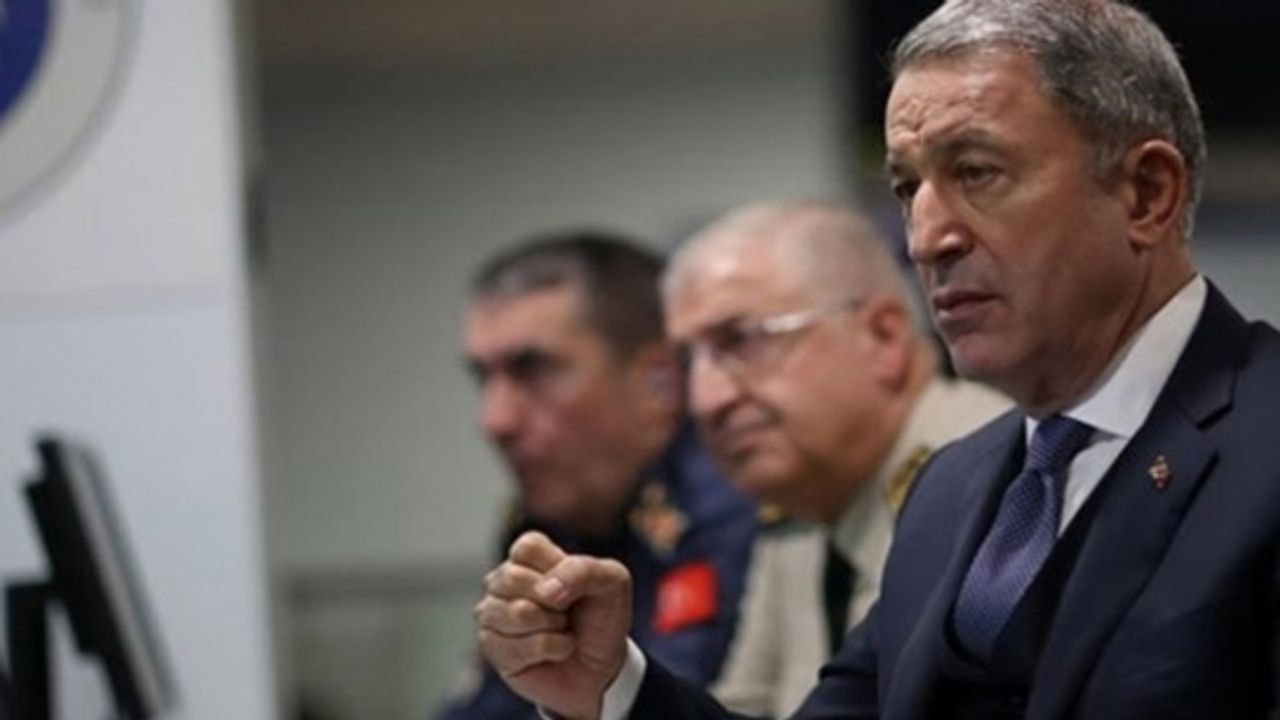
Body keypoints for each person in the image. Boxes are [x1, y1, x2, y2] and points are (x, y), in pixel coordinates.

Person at [471, 0, 1280, 718]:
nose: (926, 238)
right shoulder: (953, 491)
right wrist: (612, 689)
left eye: (976, 172)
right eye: (906, 188)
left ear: (1145, 194)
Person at [662, 202, 1007, 717]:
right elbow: (745, 705)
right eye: (689, 361)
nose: (706, 399)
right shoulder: (803, 500)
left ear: (883, 337)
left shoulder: (999, 480)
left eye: (742, 341)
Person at [439, 232, 759, 720]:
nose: (495, 421)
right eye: (485, 378)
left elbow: (669, 700)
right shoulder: (550, 518)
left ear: (658, 382)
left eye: (532, 370)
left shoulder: (729, 499)